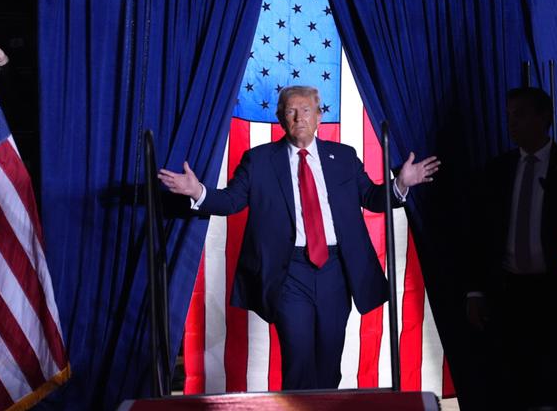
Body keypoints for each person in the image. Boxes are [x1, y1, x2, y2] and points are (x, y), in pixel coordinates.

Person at [159, 85, 440, 390]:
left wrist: (400, 183)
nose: (299, 117)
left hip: (336, 271)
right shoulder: (259, 160)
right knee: (299, 360)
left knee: (330, 364)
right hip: (289, 273)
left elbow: (373, 197)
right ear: (281, 118)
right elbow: (231, 201)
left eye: (306, 110)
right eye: (291, 111)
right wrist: (197, 192)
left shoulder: (344, 157)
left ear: (319, 116)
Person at [465, 87, 557, 409]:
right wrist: (475, 292)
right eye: (509, 116)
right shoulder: (497, 170)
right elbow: (480, 235)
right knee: (513, 385)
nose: (512, 123)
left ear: (544, 117)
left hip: (556, 294)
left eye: (520, 114)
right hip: (509, 294)